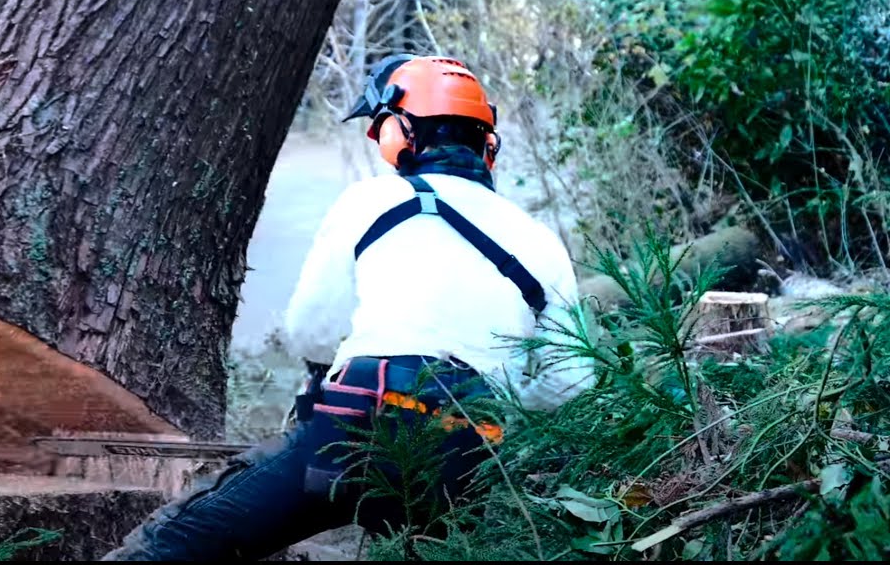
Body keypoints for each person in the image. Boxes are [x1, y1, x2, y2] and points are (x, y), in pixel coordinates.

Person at [101, 54, 597, 561]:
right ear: (486, 142)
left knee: (184, 539)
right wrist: (495, 403)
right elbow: (571, 383)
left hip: (362, 422)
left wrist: (332, 369)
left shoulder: (371, 201)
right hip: (470, 444)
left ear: (400, 132)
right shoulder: (542, 241)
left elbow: (311, 330)